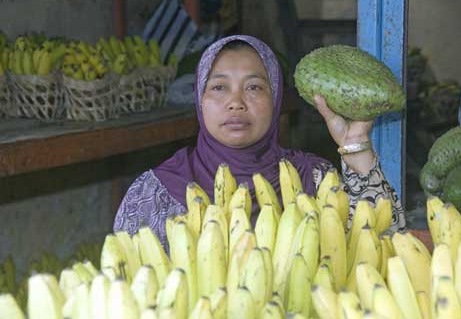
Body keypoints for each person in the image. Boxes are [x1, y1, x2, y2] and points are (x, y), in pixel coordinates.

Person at [113, 35, 406, 250]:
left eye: (254, 87)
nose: (236, 103)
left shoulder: (315, 178)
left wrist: (357, 149)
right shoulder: (156, 191)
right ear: (199, 100)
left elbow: (386, 244)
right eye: (219, 87)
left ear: (276, 98)